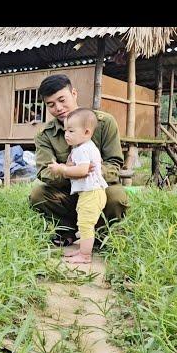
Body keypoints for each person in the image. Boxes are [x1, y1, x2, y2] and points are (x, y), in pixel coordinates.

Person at [30, 74, 128, 246]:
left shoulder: (103, 123)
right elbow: (44, 172)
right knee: (38, 195)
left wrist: (87, 174)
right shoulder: (44, 135)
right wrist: (72, 173)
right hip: (68, 193)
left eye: (62, 100)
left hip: (98, 190)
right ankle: (66, 230)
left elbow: (114, 164)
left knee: (117, 196)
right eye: (51, 105)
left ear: (74, 93)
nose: (58, 108)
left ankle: (101, 233)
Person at [47, 108, 107, 264]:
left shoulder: (82, 149)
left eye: (71, 131)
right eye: (66, 130)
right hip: (93, 192)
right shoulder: (85, 147)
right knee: (84, 223)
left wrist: (62, 169)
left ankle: (85, 256)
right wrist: (68, 166)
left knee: (86, 225)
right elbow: (77, 166)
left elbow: (82, 170)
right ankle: (82, 251)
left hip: (91, 193)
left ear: (86, 132)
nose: (66, 134)